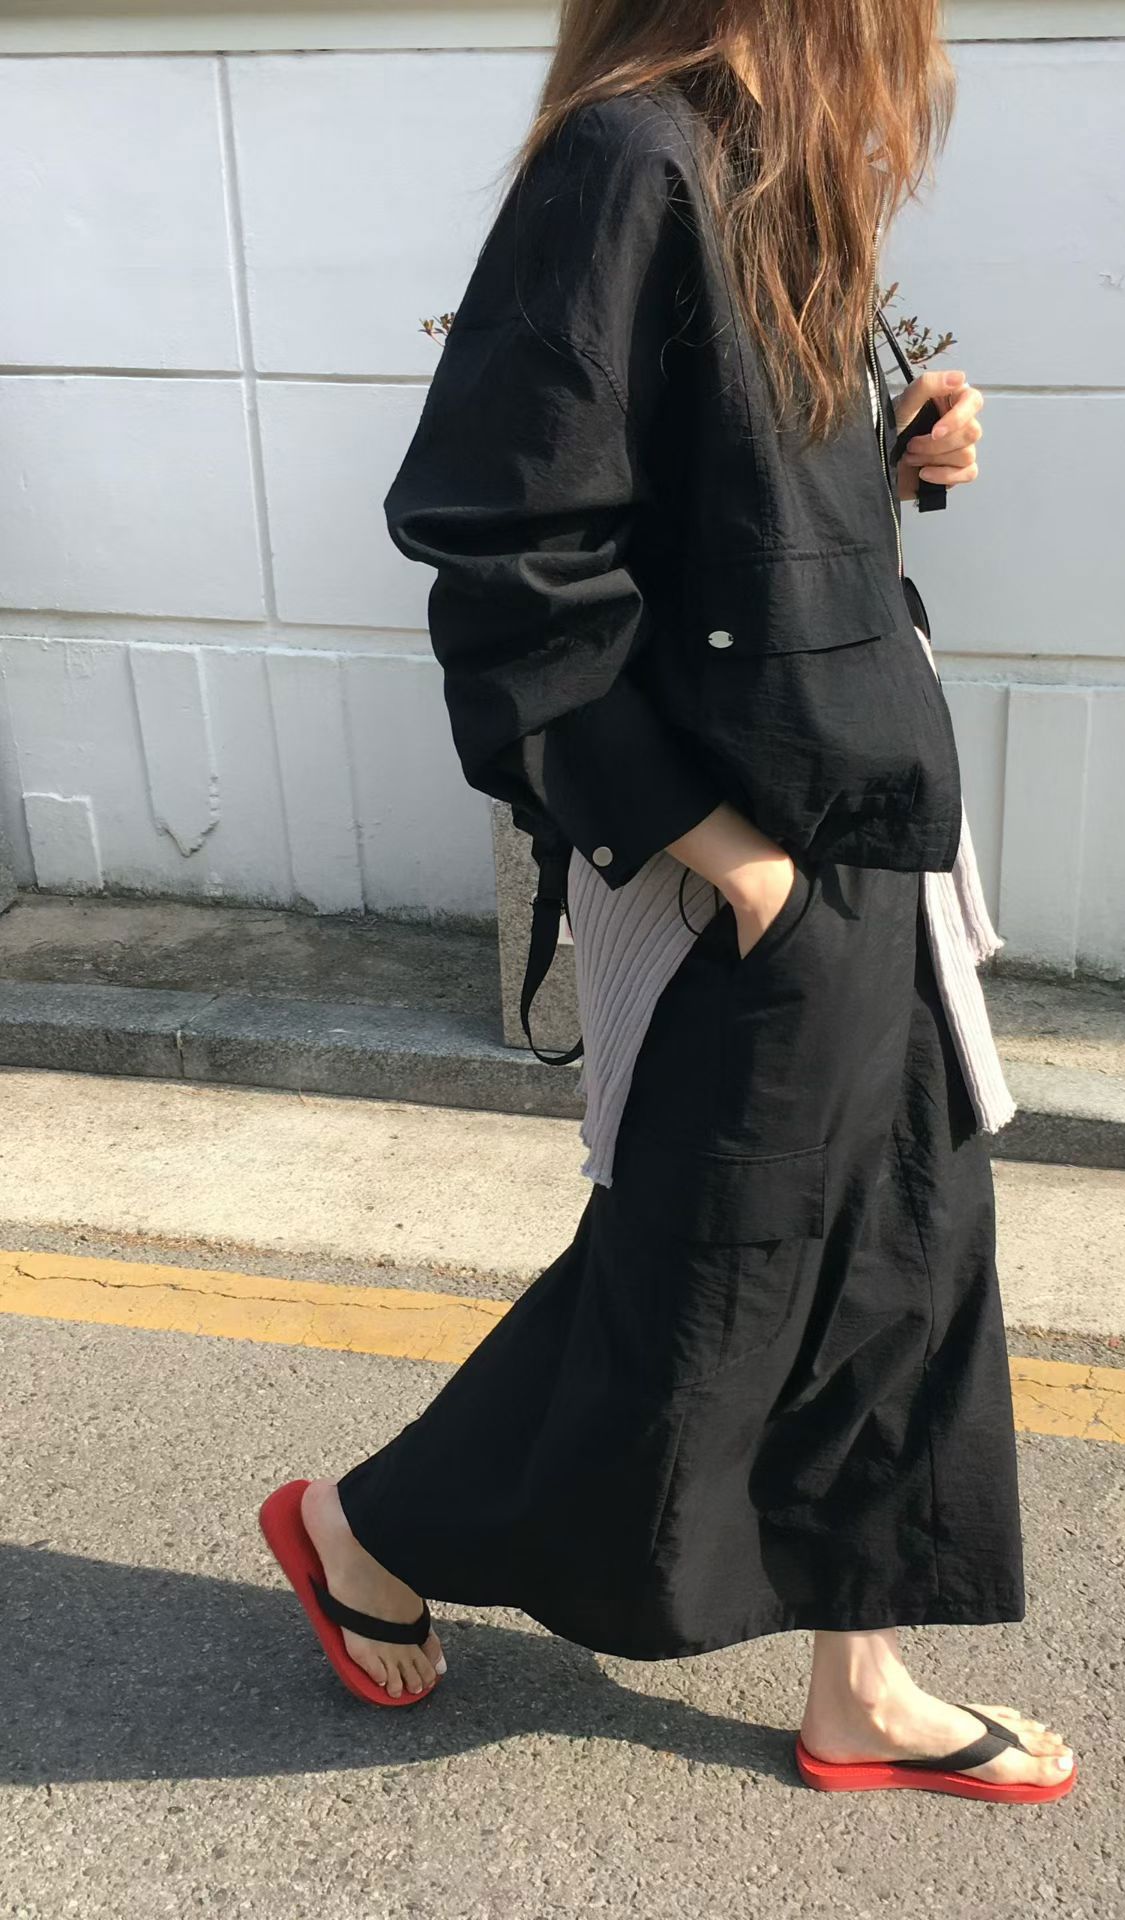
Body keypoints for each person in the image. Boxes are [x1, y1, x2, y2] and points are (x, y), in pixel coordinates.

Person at [260, 0, 1077, 1805]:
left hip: (865, 823)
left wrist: (891, 457)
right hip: (749, 860)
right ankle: (364, 1528)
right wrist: (729, 857)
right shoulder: (631, 163)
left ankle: (862, 1681)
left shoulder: (769, 178)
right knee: (705, 1289)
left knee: (906, 1247)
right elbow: (506, 555)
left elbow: (719, 501)